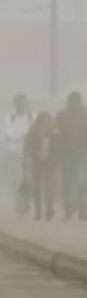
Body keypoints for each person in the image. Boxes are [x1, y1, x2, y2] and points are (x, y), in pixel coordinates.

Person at [53, 91, 87, 220]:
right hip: (67, 154)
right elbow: (55, 134)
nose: (73, 106)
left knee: (81, 182)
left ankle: (82, 208)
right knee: (69, 182)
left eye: (75, 103)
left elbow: (55, 134)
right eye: (72, 103)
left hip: (81, 153)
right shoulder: (62, 115)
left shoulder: (84, 114)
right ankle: (69, 208)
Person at [3, 94, 35, 213]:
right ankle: (19, 204)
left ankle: (25, 202)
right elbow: (8, 134)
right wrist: (24, 136)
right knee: (17, 179)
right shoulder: (9, 117)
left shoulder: (32, 116)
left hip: (28, 153)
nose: (21, 106)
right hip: (13, 153)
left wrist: (21, 137)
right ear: (15, 104)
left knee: (28, 180)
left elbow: (34, 133)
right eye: (19, 103)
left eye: (23, 103)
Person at [24, 111, 57, 221]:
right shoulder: (32, 134)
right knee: (37, 188)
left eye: (47, 122)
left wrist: (53, 157)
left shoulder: (54, 134)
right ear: (38, 123)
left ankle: (49, 209)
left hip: (50, 164)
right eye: (42, 122)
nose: (44, 125)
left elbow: (59, 149)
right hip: (37, 164)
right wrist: (35, 153)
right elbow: (27, 148)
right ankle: (38, 211)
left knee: (50, 188)